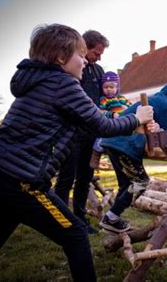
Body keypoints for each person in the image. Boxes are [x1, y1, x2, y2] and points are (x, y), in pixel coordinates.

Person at [0, 24, 156, 281]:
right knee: (75, 235)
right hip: (19, 184)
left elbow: (92, 116)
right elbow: (102, 125)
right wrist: (137, 117)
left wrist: (133, 119)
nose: (85, 61)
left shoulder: (39, 82)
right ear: (60, 58)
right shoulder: (62, 83)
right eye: (80, 55)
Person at [99, 82, 167, 233]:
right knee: (141, 182)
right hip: (125, 146)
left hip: (112, 142)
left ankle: (112, 218)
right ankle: (111, 217)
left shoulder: (157, 99)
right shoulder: (166, 105)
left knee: (126, 184)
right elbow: (166, 134)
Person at [54, 30, 110, 234]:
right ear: (84, 47)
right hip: (71, 134)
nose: (99, 57)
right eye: (97, 52)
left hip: (91, 134)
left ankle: (79, 220)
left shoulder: (99, 71)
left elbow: (108, 97)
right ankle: (59, 221)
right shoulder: (71, 67)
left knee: (85, 179)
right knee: (66, 178)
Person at [89, 71, 132, 169]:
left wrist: (127, 108)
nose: (108, 89)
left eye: (111, 87)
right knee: (101, 138)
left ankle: (123, 160)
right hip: (110, 124)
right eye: (105, 87)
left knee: (121, 144)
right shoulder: (104, 100)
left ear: (117, 87)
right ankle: (96, 155)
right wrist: (112, 114)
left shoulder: (122, 98)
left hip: (123, 125)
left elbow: (131, 107)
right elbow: (101, 111)